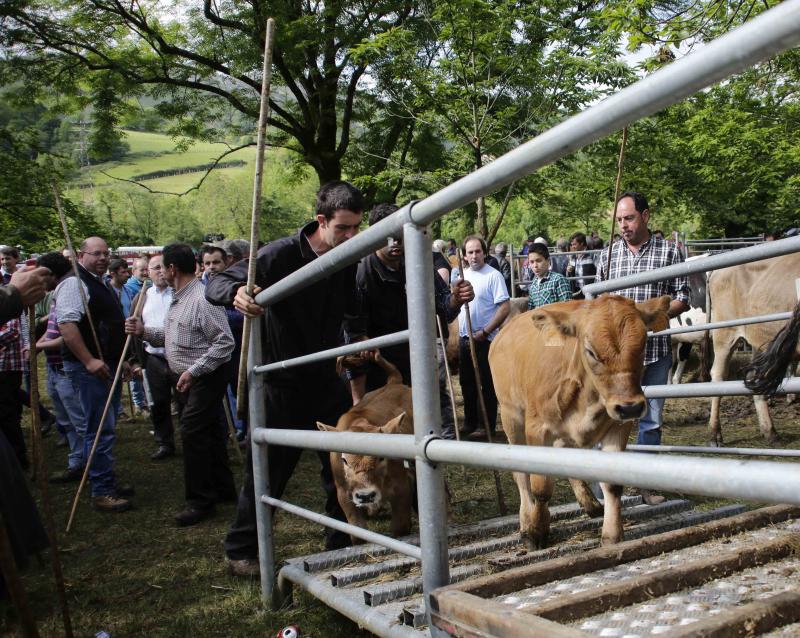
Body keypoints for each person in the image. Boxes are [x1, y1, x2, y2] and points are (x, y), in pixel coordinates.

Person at [206, 180, 365, 576]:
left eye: (355, 228)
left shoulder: (346, 259)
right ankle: (242, 549)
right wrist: (238, 293)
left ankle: (341, 539)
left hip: (328, 375)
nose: (350, 236)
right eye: (342, 228)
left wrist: (358, 336)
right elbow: (217, 283)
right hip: (281, 379)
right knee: (269, 468)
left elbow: (351, 307)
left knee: (340, 464)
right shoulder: (279, 254)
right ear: (320, 220)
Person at [127, 244, 235, 525]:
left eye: (162, 267)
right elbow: (176, 336)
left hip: (204, 377)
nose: (160, 272)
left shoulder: (203, 298)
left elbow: (225, 342)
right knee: (209, 431)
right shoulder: (179, 297)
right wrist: (145, 332)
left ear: (172, 269)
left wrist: (195, 371)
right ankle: (224, 489)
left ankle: (200, 501)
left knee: (192, 432)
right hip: (187, 377)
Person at [344, 203, 474, 438]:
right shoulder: (360, 272)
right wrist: (358, 390)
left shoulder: (420, 264)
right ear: (374, 237)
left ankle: (426, 469)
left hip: (419, 361)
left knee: (424, 427)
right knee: (386, 433)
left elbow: (444, 310)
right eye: (388, 238)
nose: (396, 244)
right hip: (379, 367)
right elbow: (353, 332)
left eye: (401, 237)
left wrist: (456, 298)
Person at [598, 192, 690, 504]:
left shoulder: (669, 251)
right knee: (610, 417)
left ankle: (646, 486)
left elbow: (683, 294)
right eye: (619, 219)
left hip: (654, 351)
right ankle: (608, 486)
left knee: (651, 419)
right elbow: (597, 302)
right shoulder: (609, 255)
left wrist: (647, 320)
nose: (623, 225)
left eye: (629, 218)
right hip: (617, 360)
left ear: (645, 216)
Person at [55, 236, 131, 513]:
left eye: (105, 254)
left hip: (105, 363)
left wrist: (116, 360)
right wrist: (89, 360)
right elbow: (67, 325)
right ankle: (101, 490)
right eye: (96, 253)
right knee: (99, 429)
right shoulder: (75, 283)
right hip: (90, 369)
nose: (102, 258)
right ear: (81, 255)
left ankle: (105, 478)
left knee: (106, 427)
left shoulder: (98, 282)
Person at [33, 253, 87, 483]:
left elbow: (67, 334)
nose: (40, 282)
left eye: (42, 276)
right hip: (54, 368)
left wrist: (41, 344)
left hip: (67, 370)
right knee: (65, 421)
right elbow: (53, 328)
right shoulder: (58, 292)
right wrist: (36, 346)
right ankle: (77, 462)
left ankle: (93, 468)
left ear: (51, 274)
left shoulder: (71, 287)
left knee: (80, 421)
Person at [457, 235, 510, 438]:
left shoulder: (493, 276)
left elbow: (504, 307)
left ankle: (485, 425)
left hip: (485, 339)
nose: (474, 256)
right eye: (470, 252)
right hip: (465, 337)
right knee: (466, 382)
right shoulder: (461, 277)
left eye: (478, 251)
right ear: (464, 256)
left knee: (486, 383)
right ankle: (470, 422)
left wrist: (486, 331)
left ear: (485, 253)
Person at [131, 254, 176, 461]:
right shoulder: (141, 298)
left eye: (163, 267)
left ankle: (193, 439)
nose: (159, 271)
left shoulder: (179, 293)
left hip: (179, 357)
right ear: (147, 272)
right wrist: (136, 361)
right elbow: (135, 330)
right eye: (155, 268)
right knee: (158, 403)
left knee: (186, 402)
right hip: (154, 359)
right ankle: (164, 443)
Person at [526, 243, 572, 310]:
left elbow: (568, 308)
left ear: (548, 261)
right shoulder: (533, 285)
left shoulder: (558, 280)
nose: (535, 265)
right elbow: (530, 311)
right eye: (532, 262)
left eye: (538, 261)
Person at [567, 232, 597, 297]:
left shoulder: (592, 255)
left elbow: (599, 272)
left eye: (574, 244)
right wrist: (568, 271)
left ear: (582, 243)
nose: (573, 247)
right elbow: (569, 275)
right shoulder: (572, 257)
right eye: (572, 245)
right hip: (576, 292)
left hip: (590, 292)